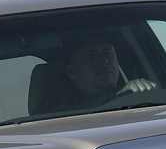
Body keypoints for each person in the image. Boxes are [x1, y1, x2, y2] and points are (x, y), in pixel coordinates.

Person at [31, 32, 159, 114]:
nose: (103, 61)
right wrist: (119, 96)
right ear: (71, 72)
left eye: (107, 53)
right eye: (91, 56)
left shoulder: (137, 99)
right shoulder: (54, 106)